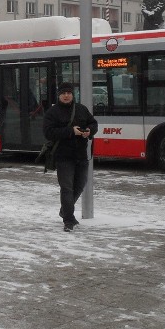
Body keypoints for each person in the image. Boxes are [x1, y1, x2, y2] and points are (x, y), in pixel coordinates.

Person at [43, 81, 98, 232]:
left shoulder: (81, 109)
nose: (66, 96)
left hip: (81, 155)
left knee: (80, 185)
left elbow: (94, 123)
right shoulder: (52, 113)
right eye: (63, 93)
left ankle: (64, 210)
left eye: (69, 93)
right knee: (67, 188)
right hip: (63, 156)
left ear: (72, 95)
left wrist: (89, 131)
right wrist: (70, 131)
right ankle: (68, 219)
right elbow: (48, 132)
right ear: (59, 95)